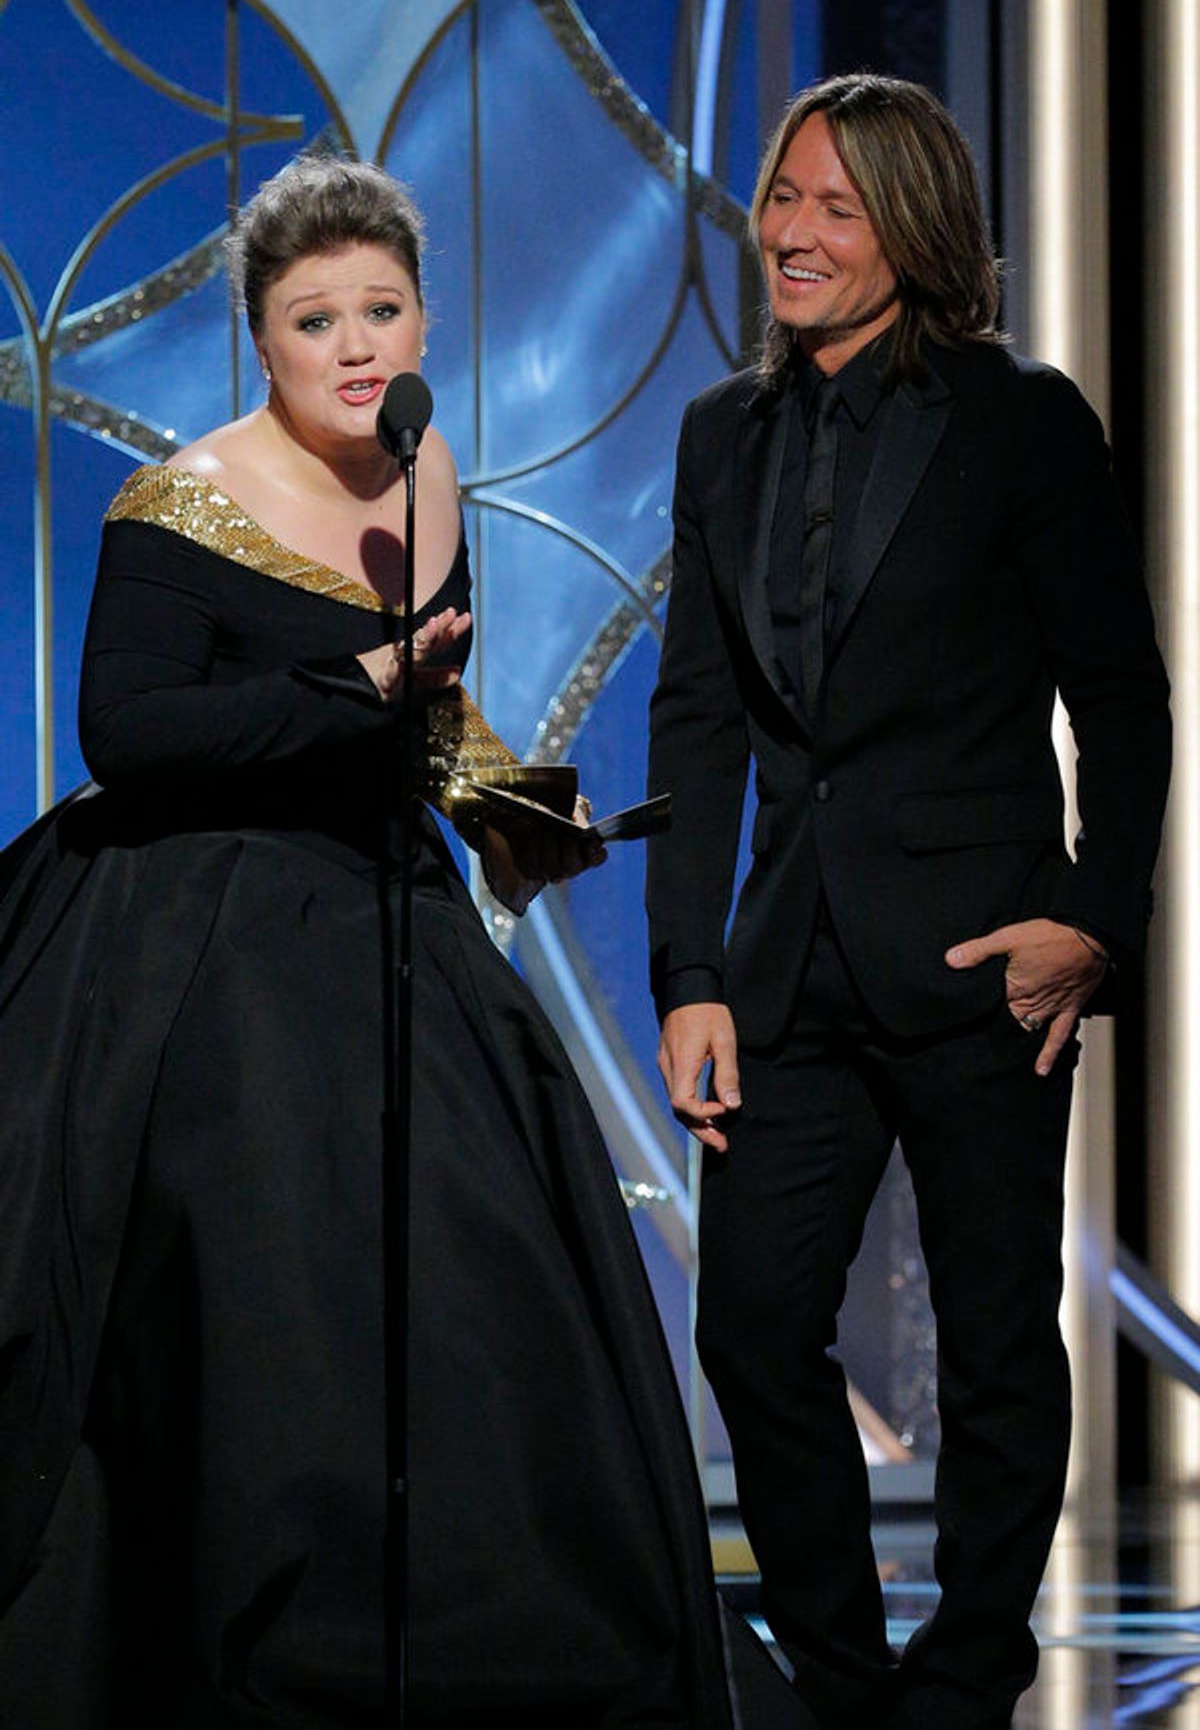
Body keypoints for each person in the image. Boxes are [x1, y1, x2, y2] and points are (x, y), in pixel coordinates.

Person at [0, 154, 751, 1729]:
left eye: (383, 310)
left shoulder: (426, 472)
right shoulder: (181, 499)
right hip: (204, 929)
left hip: (384, 903)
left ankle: (479, 1639)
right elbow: (128, 733)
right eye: (314, 319)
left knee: (477, 1260)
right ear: (261, 343)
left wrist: (508, 805)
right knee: (270, 1270)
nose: (355, 346)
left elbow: (426, 714)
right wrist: (355, 688)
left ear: (423, 320)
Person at [645, 73, 1171, 1730]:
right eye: (781, 196)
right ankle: (843, 1681)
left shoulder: (1021, 421)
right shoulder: (720, 434)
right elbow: (698, 718)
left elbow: (1123, 695)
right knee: (751, 1330)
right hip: (786, 965)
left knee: (1000, 1342)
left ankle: (965, 1684)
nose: (791, 232)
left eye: (837, 206)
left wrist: (1093, 919)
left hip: (980, 959)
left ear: (915, 234)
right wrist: (687, 972)